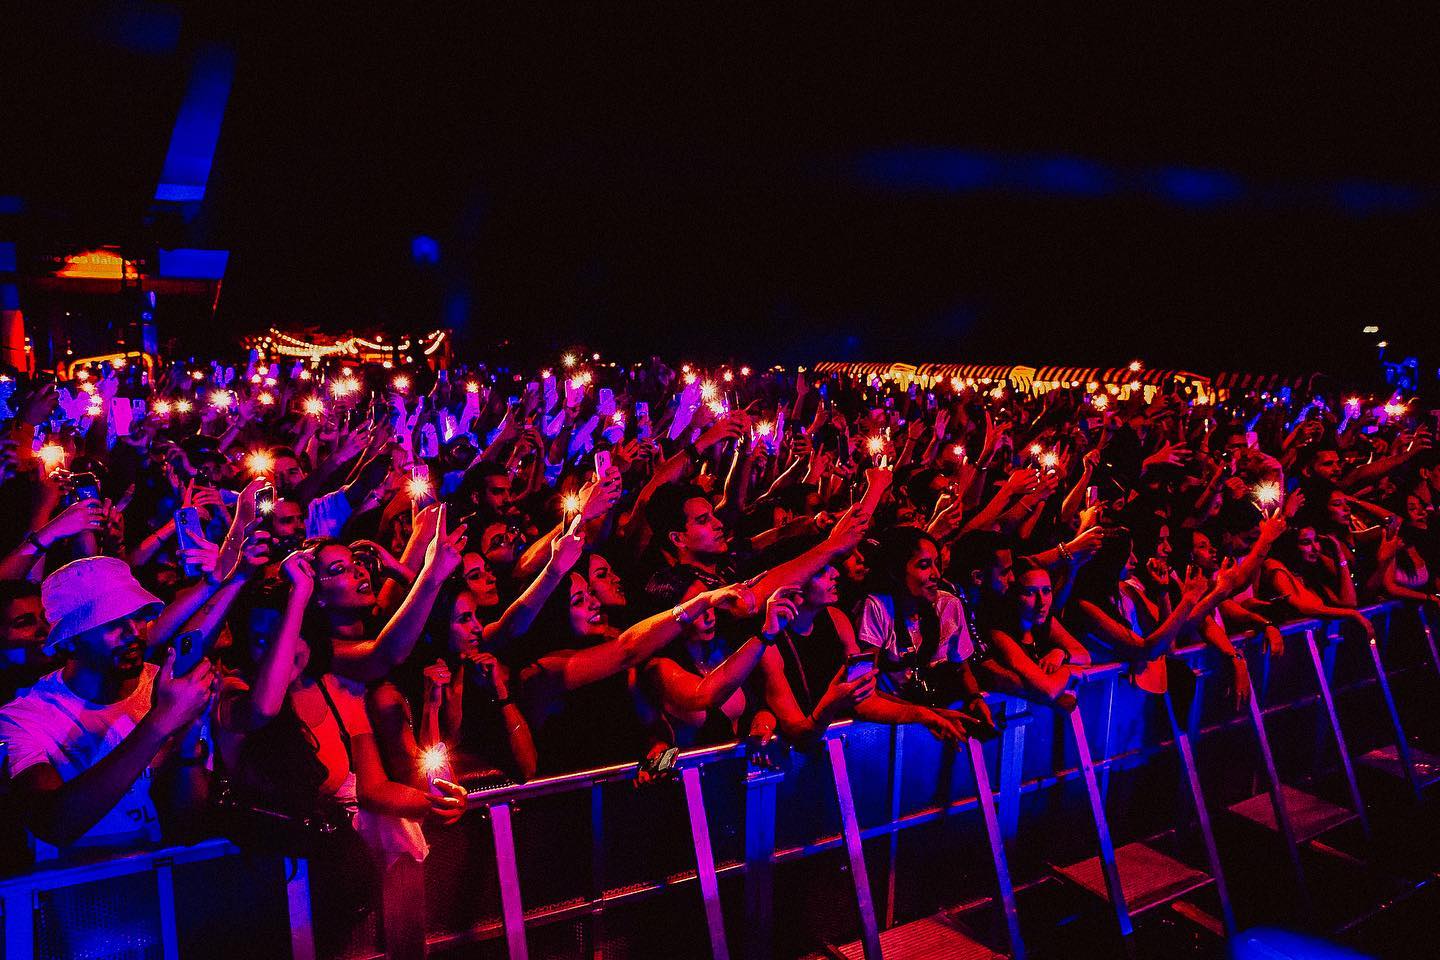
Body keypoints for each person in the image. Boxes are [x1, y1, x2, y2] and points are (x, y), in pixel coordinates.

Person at [0, 557, 215, 857]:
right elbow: (54, 823)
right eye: (113, 622)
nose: (134, 632)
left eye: (138, 617)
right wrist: (161, 722)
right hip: (77, 892)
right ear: (69, 642)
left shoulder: (171, 689)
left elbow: (190, 827)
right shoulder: (24, 717)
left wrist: (188, 742)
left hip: (167, 886)